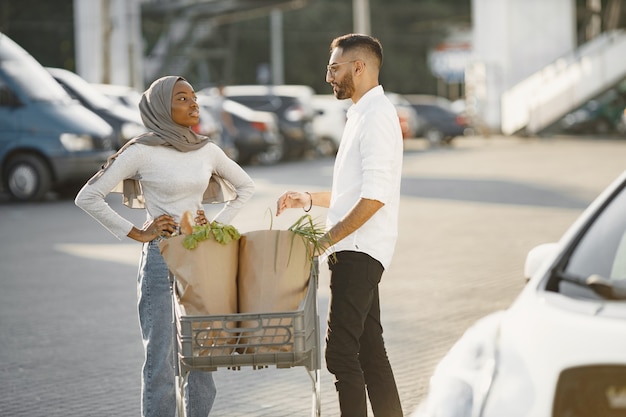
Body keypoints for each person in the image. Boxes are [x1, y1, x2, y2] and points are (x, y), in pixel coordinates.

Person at [75, 76, 255, 417]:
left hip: (201, 261)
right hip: (161, 258)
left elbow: (245, 187)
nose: (194, 104)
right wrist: (137, 233)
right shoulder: (141, 151)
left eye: (193, 97)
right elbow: (88, 196)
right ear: (161, 108)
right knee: (161, 360)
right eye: (183, 98)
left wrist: (215, 227)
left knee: (202, 356)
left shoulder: (206, 149)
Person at [276, 34, 404, 417]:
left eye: (334, 67)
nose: (328, 75)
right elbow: (354, 192)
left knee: (340, 354)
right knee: (369, 351)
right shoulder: (361, 114)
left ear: (359, 68)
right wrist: (310, 199)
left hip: (359, 251)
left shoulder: (377, 117)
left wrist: (323, 241)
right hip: (356, 249)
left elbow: (375, 197)